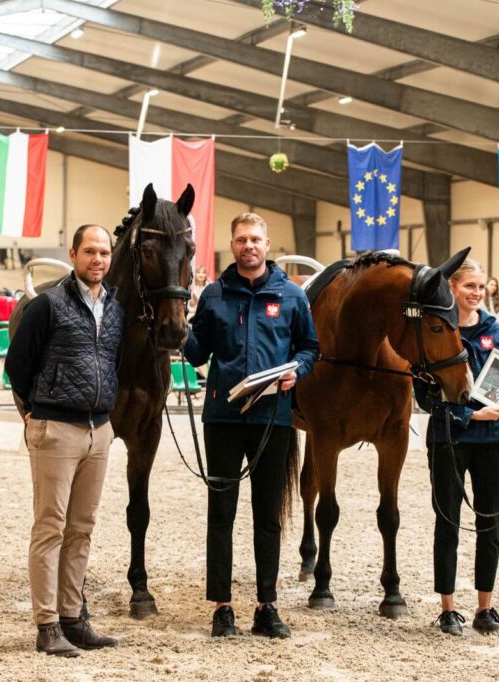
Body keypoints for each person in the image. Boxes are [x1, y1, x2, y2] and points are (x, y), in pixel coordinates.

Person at [183, 212, 319, 639]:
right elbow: (195, 352)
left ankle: (266, 604)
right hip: (222, 417)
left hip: (273, 419)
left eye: (256, 239)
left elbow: (310, 347)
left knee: (268, 515)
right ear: (232, 243)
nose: (249, 246)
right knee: (220, 514)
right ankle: (222, 606)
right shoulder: (214, 295)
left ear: (267, 243)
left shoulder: (292, 295)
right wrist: (173, 328)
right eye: (241, 239)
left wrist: (297, 368)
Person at [5, 224, 124, 658]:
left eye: (104, 253)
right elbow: (17, 364)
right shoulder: (47, 305)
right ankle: (47, 624)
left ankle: (73, 618)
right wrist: (35, 411)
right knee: (50, 528)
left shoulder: (115, 309)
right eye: (89, 251)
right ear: (73, 254)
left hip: (98, 430)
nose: (97, 260)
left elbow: (115, 364)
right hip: (55, 428)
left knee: (82, 530)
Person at [415, 259, 499, 636]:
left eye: (481, 287)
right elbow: (424, 396)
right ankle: (448, 608)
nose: (476, 293)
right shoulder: (435, 330)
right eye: (468, 286)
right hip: (449, 438)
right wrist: (470, 416)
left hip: (492, 442)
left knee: (490, 522)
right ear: (452, 288)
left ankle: (485, 608)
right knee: (448, 522)